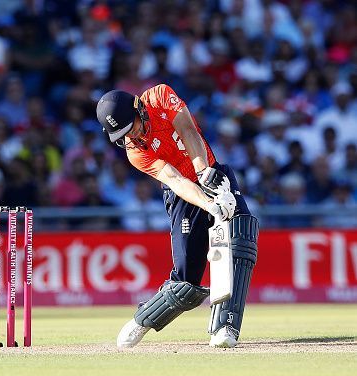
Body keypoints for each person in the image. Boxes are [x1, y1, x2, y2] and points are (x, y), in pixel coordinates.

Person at [96, 85, 258, 348]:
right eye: (123, 135)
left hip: (210, 172)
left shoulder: (159, 96)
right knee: (187, 284)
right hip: (183, 194)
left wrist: (207, 175)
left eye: (132, 127)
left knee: (241, 238)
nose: (132, 137)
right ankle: (143, 318)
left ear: (138, 108)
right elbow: (174, 179)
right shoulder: (135, 152)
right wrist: (210, 204)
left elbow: (188, 130)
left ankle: (225, 326)